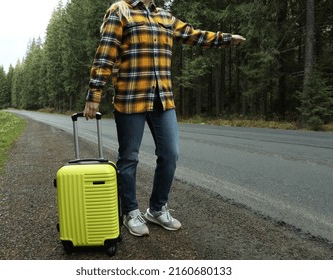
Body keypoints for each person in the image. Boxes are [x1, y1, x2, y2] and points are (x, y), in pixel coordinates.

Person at [84, 0, 246, 237]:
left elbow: (195, 35)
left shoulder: (165, 17)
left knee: (170, 153)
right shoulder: (120, 12)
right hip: (131, 97)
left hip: (163, 98)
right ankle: (131, 212)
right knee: (129, 157)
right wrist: (94, 93)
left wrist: (225, 38)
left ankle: (157, 209)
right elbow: (105, 54)